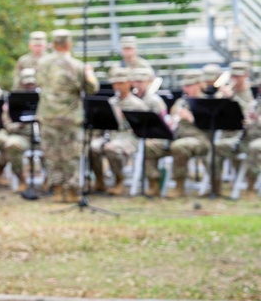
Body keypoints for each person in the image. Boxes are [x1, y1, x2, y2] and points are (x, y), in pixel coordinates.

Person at [35, 29, 98, 202]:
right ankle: (71, 190)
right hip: (70, 117)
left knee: (52, 155)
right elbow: (92, 89)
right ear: (69, 44)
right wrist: (89, 73)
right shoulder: (77, 66)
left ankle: (57, 189)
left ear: (53, 44)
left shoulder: (42, 63)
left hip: (48, 116)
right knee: (71, 155)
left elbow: (39, 82)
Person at [144, 70, 210, 198]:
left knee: (179, 146)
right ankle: (154, 183)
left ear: (199, 84)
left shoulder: (207, 102)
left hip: (200, 139)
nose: (186, 88)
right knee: (149, 146)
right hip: (176, 137)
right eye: (185, 85)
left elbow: (214, 126)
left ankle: (179, 186)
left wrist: (192, 119)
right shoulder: (181, 102)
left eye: (190, 85)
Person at [89, 67, 148, 195]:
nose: (118, 86)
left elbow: (141, 127)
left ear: (129, 83)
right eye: (115, 83)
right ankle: (100, 180)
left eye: (121, 83)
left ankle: (119, 180)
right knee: (92, 147)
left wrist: (124, 118)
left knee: (112, 148)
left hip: (128, 138)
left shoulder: (138, 105)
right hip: (110, 135)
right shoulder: (111, 102)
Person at [214, 61, 254, 195]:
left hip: (244, 135)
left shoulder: (248, 94)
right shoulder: (230, 91)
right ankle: (215, 186)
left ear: (246, 75)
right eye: (233, 76)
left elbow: (248, 112)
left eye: (238, 76)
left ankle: (248, 185)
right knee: (214, 148)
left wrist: (231, 97)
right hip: (227, 131)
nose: (234, 79)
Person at [0, 68, 38, 184]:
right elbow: (8, 126)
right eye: (27, 83)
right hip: (22, 135)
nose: (30, 86)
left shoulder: (46, 98)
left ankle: (51, 182)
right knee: (11, 144)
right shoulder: (12, 101)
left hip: (43, 135)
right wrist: (19, 125)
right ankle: (22, 180)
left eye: (32, 83)